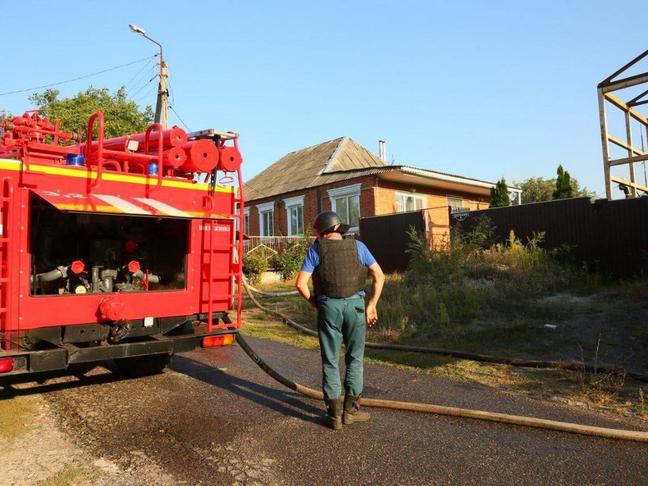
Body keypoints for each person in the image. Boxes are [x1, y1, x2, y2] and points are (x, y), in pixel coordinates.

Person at [295, 211, 384, 430]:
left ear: (321, 232)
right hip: (355, 307)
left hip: (329, 307)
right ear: (337, 230)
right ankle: (351, 413)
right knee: (355, 359)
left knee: (330, 360)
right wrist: (371, 305)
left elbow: (300, 284)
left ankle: (334, 416)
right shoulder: (358, 247)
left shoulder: (315, 250)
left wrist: (316, 303)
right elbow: (379, 275)